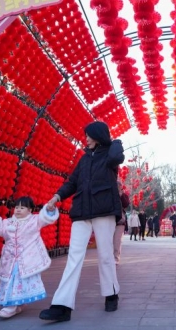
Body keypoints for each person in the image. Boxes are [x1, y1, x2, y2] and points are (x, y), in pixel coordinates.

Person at [39, 121, 124, 322]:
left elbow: (117, 157)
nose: (85, 138)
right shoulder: (84, 159)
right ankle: (62, 306)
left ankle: (111, 294)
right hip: (81, 212)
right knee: (74, 257)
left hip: (104, 210)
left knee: (105, 255)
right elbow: (72, 182)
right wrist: (56, 197)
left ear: (97, 135)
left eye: (88, 134)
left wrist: (115, 142)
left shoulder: (111, 154)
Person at [0, 196, 59, 318]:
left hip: (27, 258)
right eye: (16, 207)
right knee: (11, 279)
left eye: (22, 207)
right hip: (10, 259)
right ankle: (17, 304)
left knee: (18, 280)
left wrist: (49, 209)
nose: (18, 210)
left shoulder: (35, 220)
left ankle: (11, 306)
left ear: (30, 210)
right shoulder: (7, 222)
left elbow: (46, 217)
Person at [113, 187, 130, 264]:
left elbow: (126, 204)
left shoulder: (123, 195)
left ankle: (116, 258)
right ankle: (109, 257)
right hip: (109, 220)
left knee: (117, 240)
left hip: (120, 221)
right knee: (109, 241)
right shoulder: (109, 194)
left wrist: (121, 195)